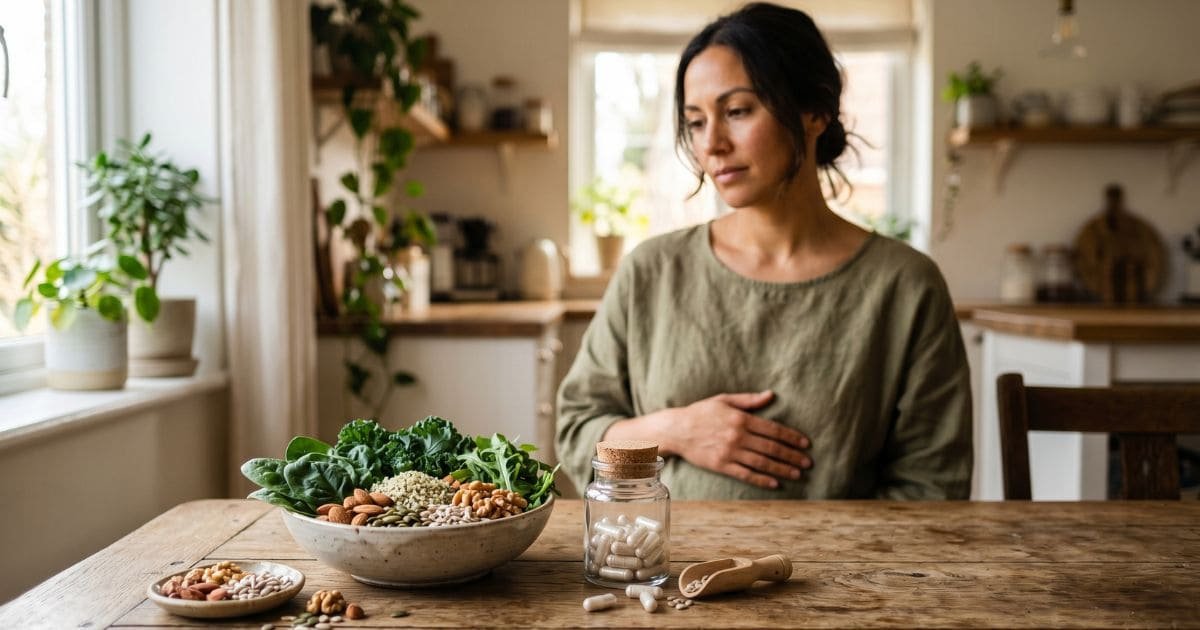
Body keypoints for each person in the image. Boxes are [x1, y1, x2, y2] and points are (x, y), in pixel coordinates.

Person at [556, 2, 972, 500]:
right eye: (694, 121)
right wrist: (675, 430)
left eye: (736, 111)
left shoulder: (905, 286)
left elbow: (932, 490)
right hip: (657, 571)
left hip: (842, 575)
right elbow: (577, 438)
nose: (712, 144)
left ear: (816, 109)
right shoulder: (650, 271)